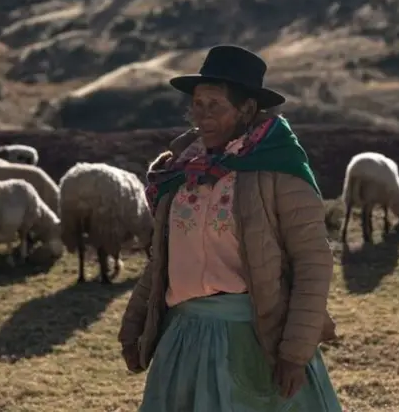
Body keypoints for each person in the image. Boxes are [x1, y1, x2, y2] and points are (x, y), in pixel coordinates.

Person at [118, 44, 344, 411]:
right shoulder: (182, 173)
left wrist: (296, 352)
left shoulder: (278, 171)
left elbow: (313, 262)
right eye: (197, 105)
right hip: (185, 341)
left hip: (256, 340)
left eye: (215, 106)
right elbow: (162, 259)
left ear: (247, 109)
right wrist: (135, 327)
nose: (202, 116)